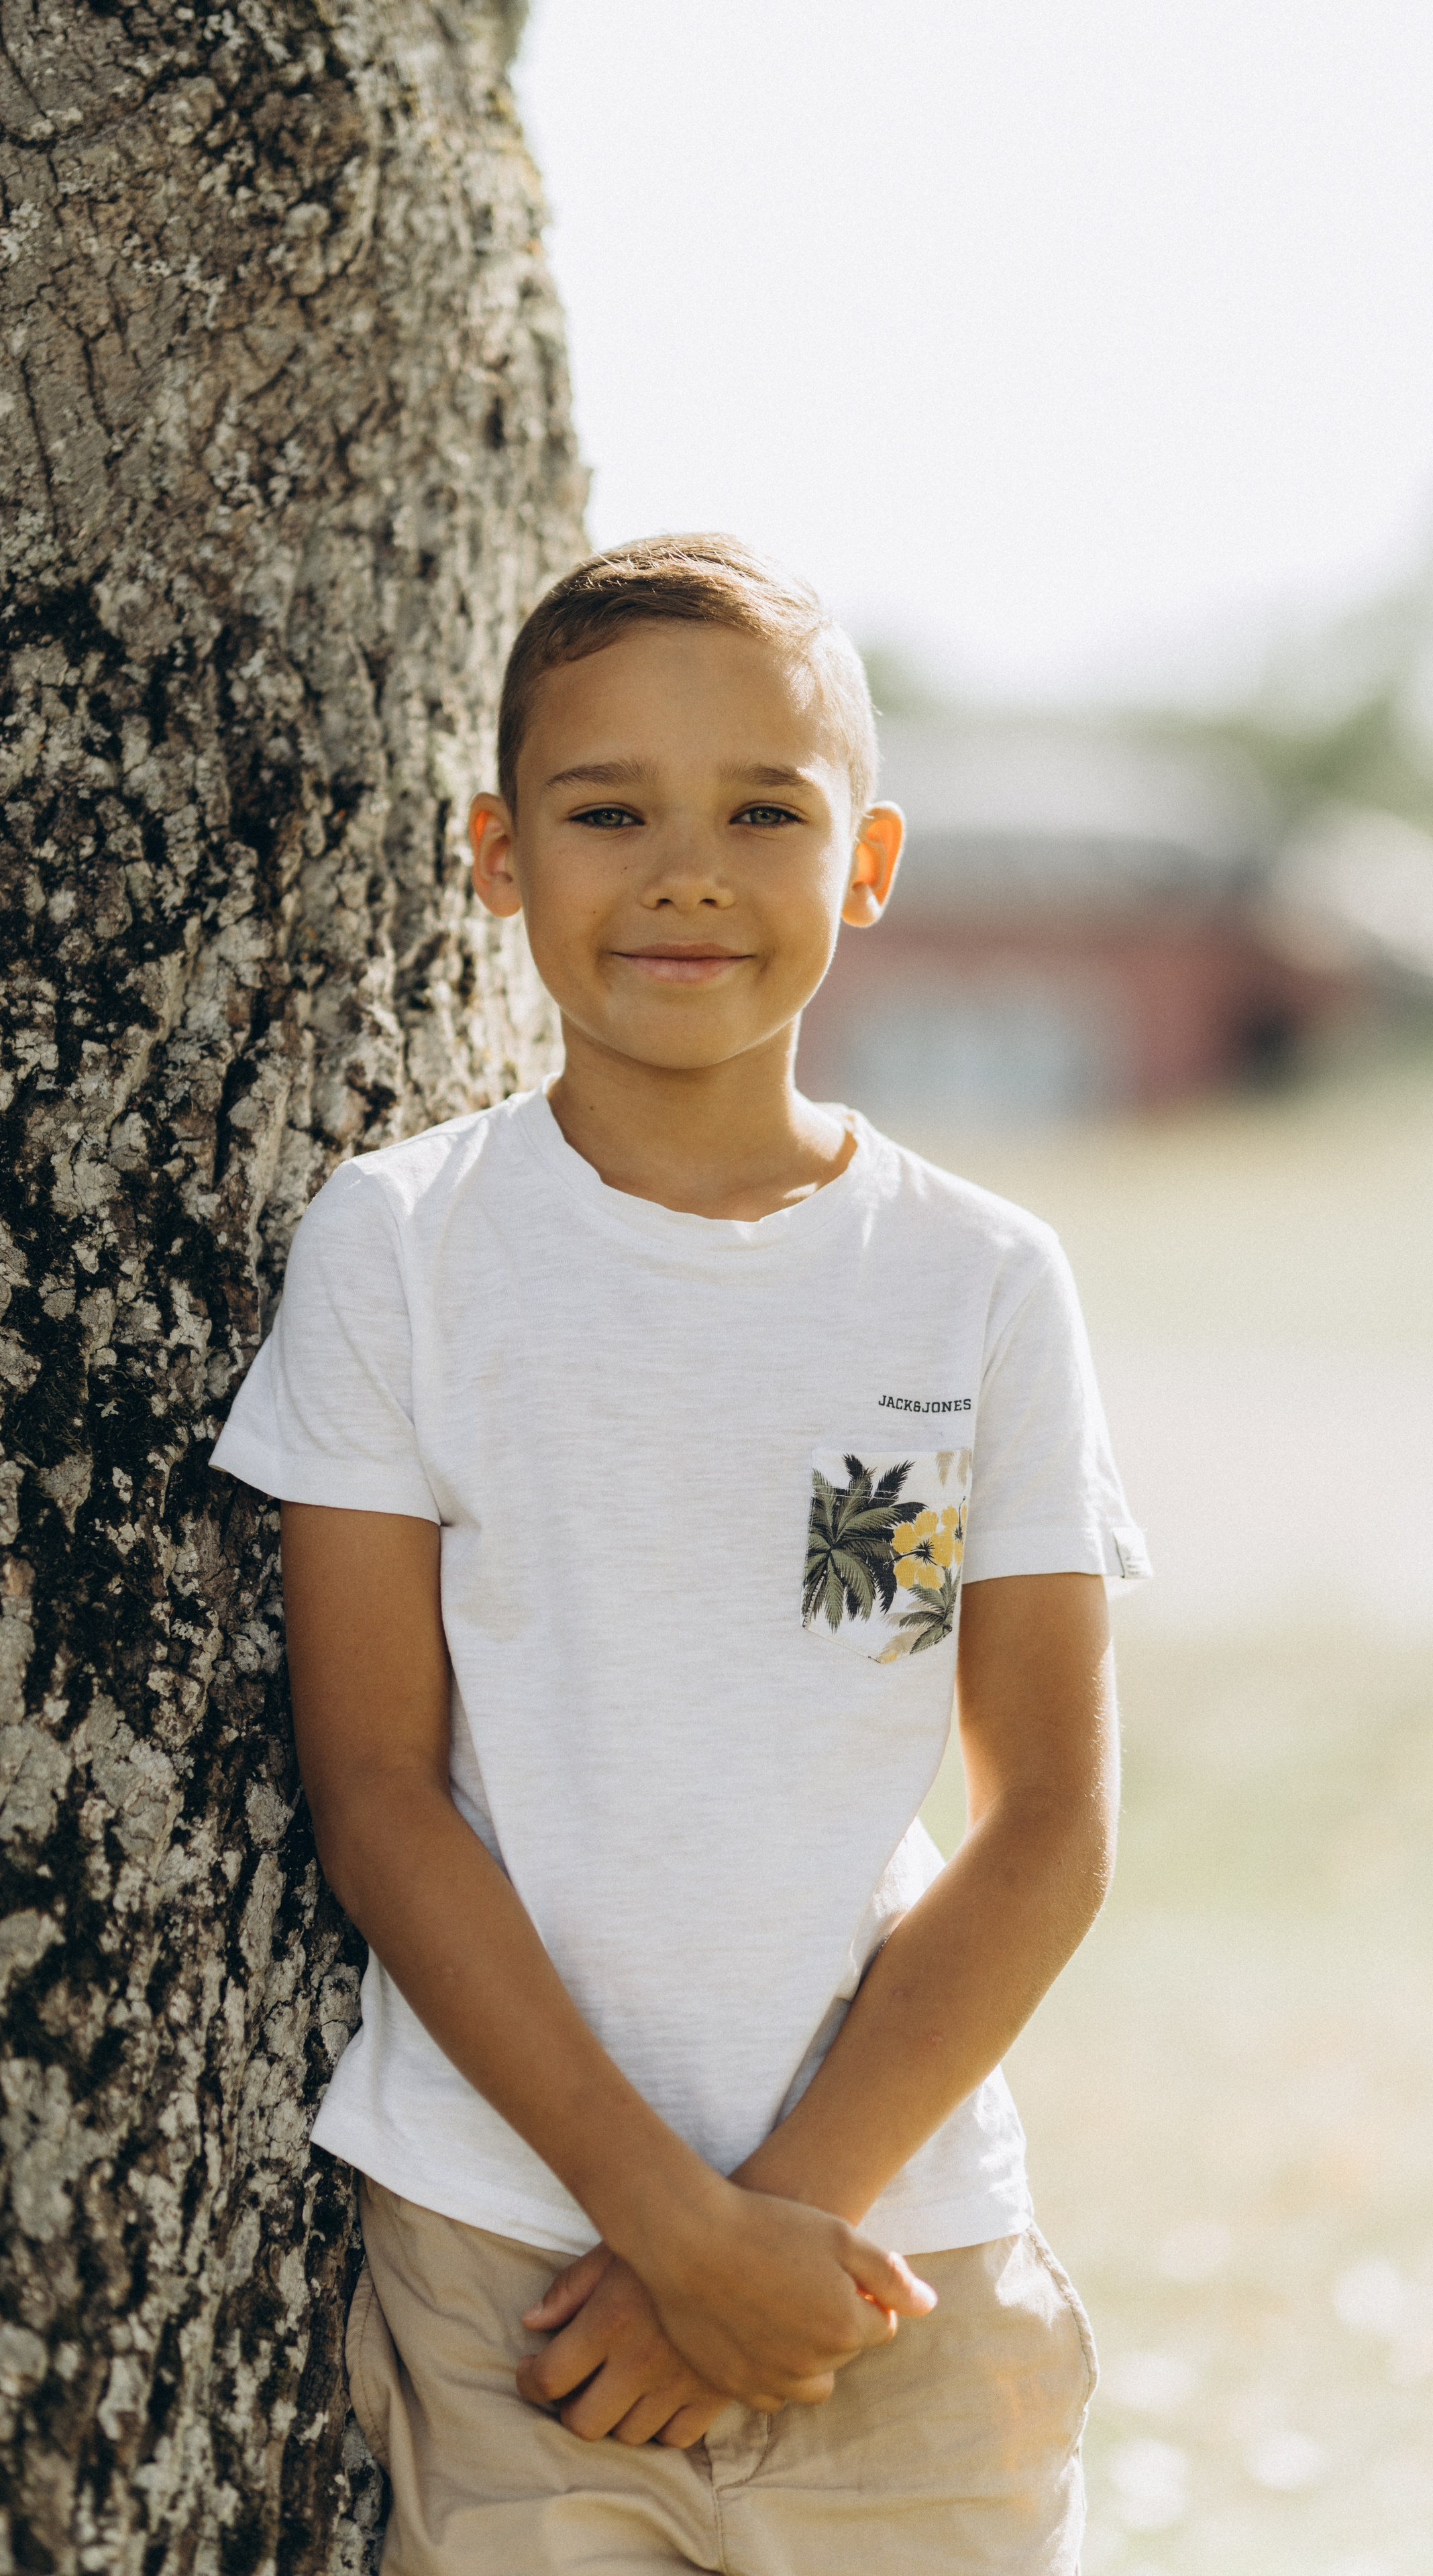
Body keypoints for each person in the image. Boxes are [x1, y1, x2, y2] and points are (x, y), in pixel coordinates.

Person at [211, 534, 1149, 2573]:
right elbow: (376, 1792)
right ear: (495, 852)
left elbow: (1050, 1818)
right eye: (608, 810)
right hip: (512, 2265)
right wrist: (663, 2225)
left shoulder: (983, 1283)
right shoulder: (404, 1250)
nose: (688, 870)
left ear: (870, 861)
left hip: (894, 2265)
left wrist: (769, 2235)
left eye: (764, 813)